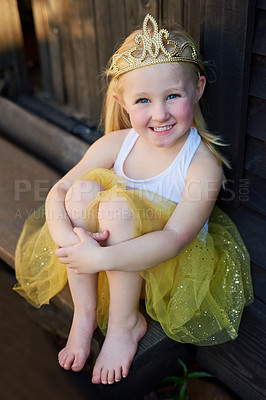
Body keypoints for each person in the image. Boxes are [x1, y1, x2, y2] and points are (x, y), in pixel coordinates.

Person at [14, 14, 253, 386]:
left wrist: (100, 257)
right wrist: (67, 239)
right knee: (82, 192)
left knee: (115, 206)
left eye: (173, 95)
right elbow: (59, 192)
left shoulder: (202, 166)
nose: (160, 114)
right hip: (100, 261)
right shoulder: (114, 145)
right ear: (121, 101)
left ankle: (126, 323)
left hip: (161, 268)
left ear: (198, 89)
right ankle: (86, 311)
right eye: (143, 100)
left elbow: (175, 239)